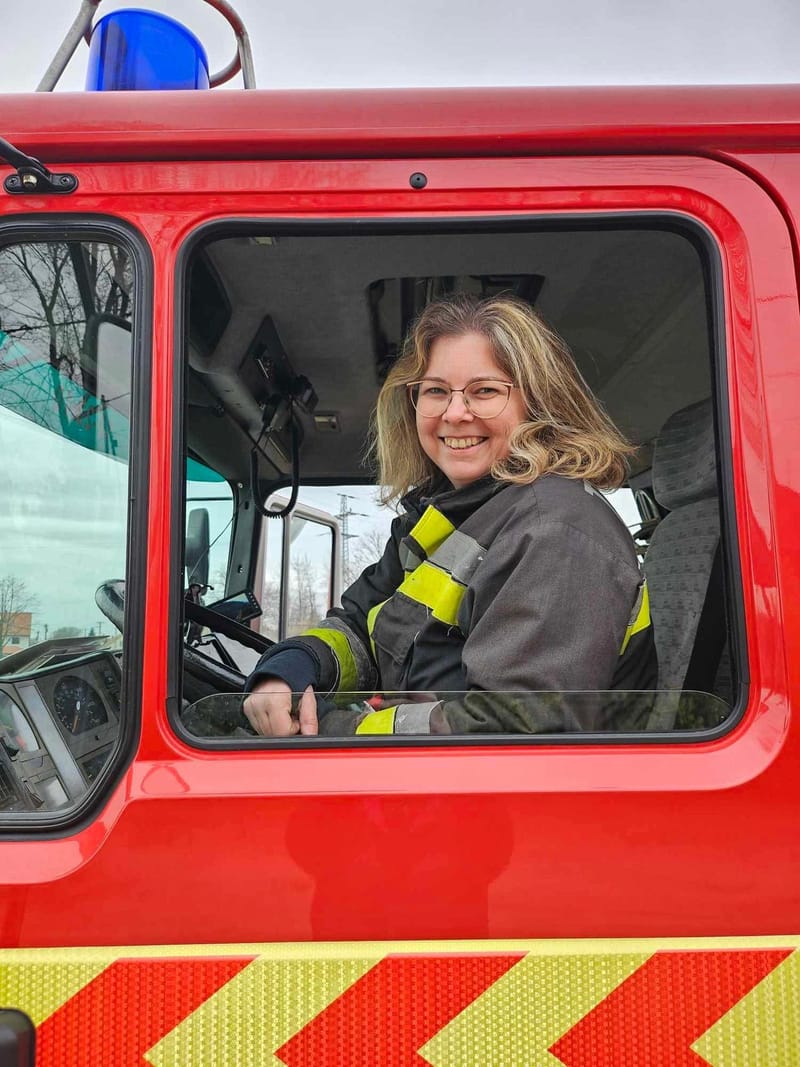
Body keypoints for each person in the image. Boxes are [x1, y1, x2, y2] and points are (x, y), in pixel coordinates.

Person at [243, 293, 657, 737]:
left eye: (485, 391)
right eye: (436, 390)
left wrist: (332, 730)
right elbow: (365, 626)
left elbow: (513, 732)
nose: (455, 413)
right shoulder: (447, 515)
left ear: (537, 403)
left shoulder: (556, 530)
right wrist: (293, 667)